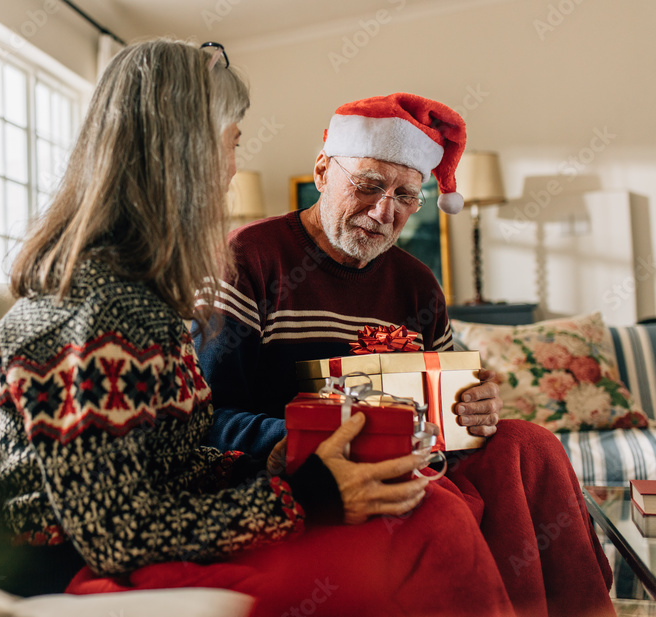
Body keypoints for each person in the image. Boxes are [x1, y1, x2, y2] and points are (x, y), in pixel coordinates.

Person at [0, 42, 518, 615]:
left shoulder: (141, 298)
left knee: (447, 498)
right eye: (233, 140)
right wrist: (308, 494)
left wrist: (294, 460)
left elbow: (179, 459)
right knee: (420, 521)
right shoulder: (93, 310)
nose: (234, 164)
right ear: (182, 152)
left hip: (182, 530)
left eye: (405, 196)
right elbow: (119, 532)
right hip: (90, 569)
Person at [194, 92, 615, 617]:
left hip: (414, 453)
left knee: (531, 444)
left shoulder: (417, 283)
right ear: (323, 171)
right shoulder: (246, 260)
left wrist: (471, 410)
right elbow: (205, 417)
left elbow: (448, 407)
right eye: (369, 185)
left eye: (406, 196)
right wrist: (300, 438)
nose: (384, 211)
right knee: (425, 499)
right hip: (308, 470)